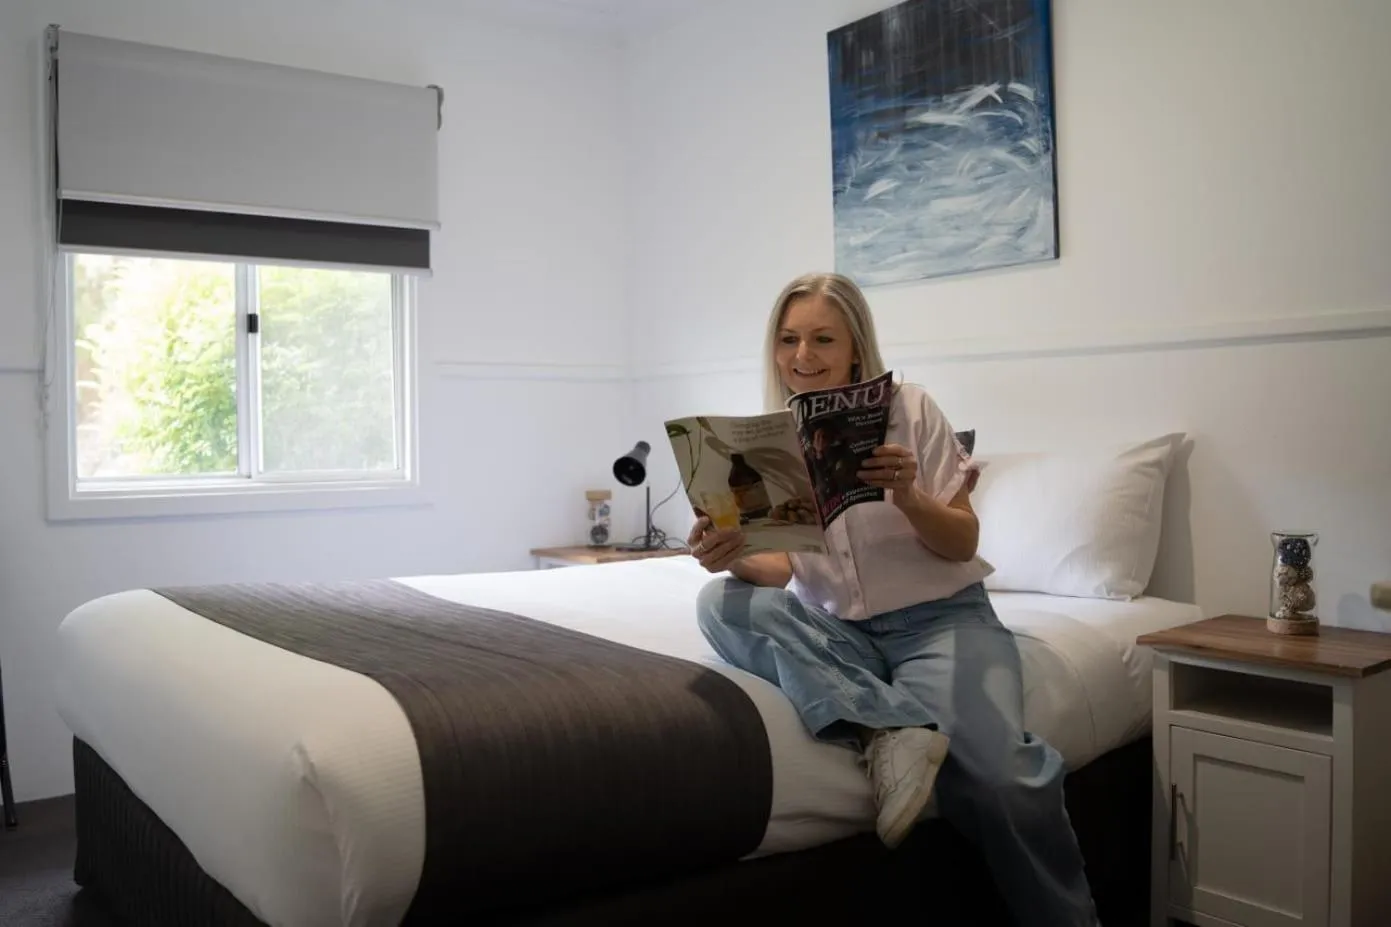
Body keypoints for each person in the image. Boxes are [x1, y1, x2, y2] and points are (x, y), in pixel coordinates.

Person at [688, 272, 1101, 927]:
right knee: (720, 603)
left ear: (855, 345)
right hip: (836, 628)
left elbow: (961, 542)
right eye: (788, 338)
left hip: (938, 621)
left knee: (996, 779)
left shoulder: (910, 409)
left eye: (822, 337)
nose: (803, 354)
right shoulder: (768, 444)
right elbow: (780, 566)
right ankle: (889, 726)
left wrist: (909, 495)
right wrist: (729, 552)